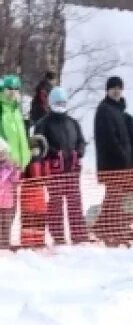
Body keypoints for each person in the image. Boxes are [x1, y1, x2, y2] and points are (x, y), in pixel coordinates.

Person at [32, 87, 87, 245]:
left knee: (75, 203)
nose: (60, 105)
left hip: (72, 170)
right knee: (55, 203)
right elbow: (40, 144)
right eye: (57, 103)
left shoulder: (73, 123)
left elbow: (81, 141)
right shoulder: (43, 123)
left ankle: (79, 235)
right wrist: (55, 153)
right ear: (50, 103)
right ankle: (58, 236)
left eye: (63, 102)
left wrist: (79, 151)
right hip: (54, 170)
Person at [93, 76, 133, 245]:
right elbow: (110, 139)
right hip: (112, 163)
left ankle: (103, 228)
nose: (116, 90)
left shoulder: (118, 111)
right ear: (107, 90)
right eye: (113, 88)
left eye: (119, 88)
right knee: (115, 198)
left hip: (122, 163)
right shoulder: (105, 110)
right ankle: (113, 230)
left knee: (115, 198)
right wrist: (122, 156)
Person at [0, 75, 30, 172]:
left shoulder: (16, 109)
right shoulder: (1, 108)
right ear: (3, 89)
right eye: (9, 88)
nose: (13, 92)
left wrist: (26, 154)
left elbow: (20, 134)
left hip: (19, 164)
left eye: (16, 89)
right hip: (4, 164)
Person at [0, 138, 19, 249]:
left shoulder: (9, 166)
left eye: (3, 153)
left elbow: (15, 180)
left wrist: (16, 170)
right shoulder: (6, 168)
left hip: (7, 202)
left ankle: (5, 244)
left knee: (7, 224)